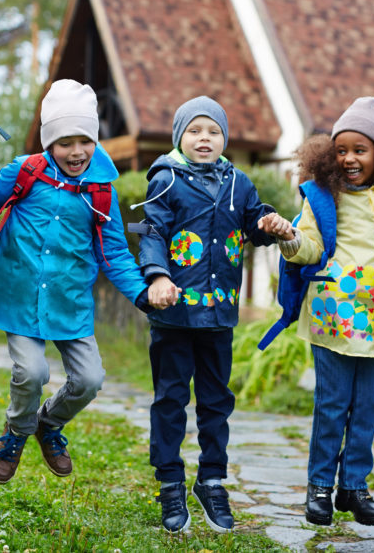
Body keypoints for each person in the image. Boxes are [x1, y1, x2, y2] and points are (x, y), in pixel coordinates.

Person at [0, 79, 178, 490]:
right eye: (64, 142)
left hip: (69, 302)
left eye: (84, 140)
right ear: (50, 142)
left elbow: (115, 253)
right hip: (20, 296)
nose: (76, 151)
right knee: (31, 373)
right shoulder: (25, 171)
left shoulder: (101, 191)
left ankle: (47, 424)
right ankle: (16, 432)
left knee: (89, 380)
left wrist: (142, 292)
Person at [258, 96, 374, 527]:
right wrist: (288, 238)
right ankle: (319, 488)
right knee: (332, 405)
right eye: (342, 150)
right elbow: (311, 246)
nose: (350, 158)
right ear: (329, 156)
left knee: (368, 407)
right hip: (335, 314)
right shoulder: (321, 197)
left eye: (360, 149)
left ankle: (354, 487)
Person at [134, 96, 277, 533]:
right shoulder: (166, 178)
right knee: (171, 399)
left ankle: (212, 479)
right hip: (174, 315)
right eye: (195, 130)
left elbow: (254, 221)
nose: (204, 138)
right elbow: (153, 231)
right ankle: (170, 483)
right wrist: (156, 276)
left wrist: (270, 222)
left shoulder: (239, 183)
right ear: (180, 136)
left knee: (216, 402)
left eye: (213, 131)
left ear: (224, 139)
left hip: (219, 315)